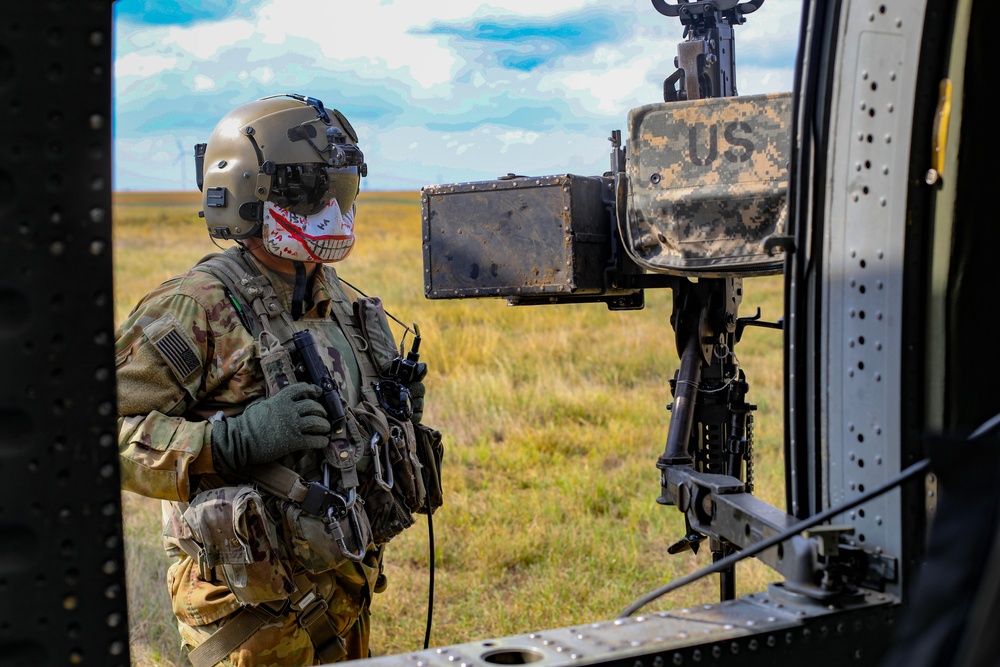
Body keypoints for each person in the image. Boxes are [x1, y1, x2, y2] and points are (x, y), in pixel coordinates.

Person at [115, 94, 442, 666]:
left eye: (340, 190)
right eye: (310, 192)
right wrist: (230, 442)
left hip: (345, 587)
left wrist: (393, 405)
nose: (332, 210)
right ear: (248, 192)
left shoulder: (339, 297)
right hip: (248, 612)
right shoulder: (195, 306)